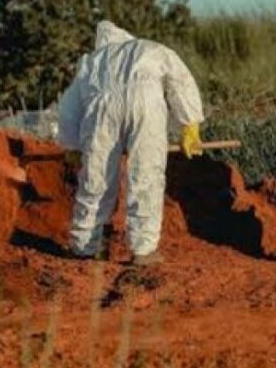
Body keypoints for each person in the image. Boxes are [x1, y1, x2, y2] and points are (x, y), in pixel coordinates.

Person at [56, 20, 205, 265]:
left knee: (95, 178)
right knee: (147, 173)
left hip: (101, 109)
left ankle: (85, 246)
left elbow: (69, 109)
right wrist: (189, 124)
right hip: (145, 103)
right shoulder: (149, 48)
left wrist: (72, 145)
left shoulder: (90, 61)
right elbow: (180, 79)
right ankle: (143, 250)